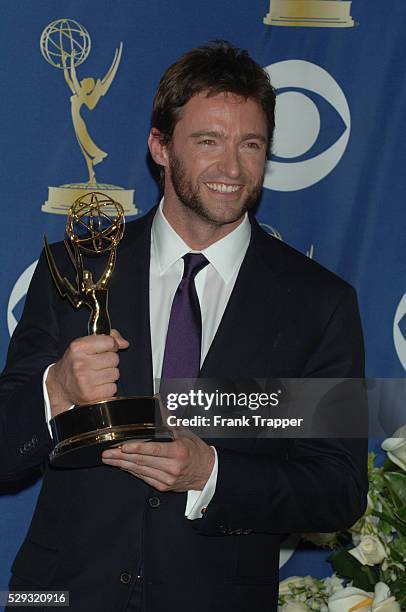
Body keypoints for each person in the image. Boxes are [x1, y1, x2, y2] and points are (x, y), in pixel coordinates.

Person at [0, 41, 368, 612]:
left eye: (251, 145)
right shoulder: (76, 270)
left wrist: (213, 473)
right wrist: (57, 392)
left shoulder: (318, 304)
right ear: (160, 147)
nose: (232, 168)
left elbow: (339, 491)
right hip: (55, 598)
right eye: (207, 141)